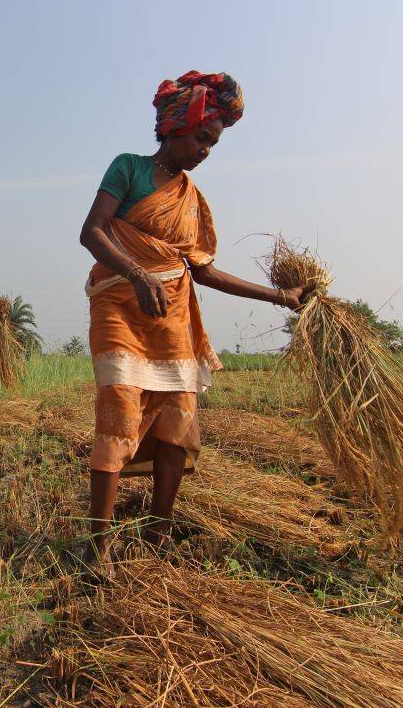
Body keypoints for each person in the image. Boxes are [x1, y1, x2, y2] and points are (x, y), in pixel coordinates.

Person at [78, 70, 313, 574]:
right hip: (119, 305)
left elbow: (202, 269)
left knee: (174, 422)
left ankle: (159, 530)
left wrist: (279, 297)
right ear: (175, 126)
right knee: (119, 410)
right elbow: (93, 232)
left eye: (214, 143)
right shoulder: (128, 168)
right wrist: (137, 273)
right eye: (203, 137)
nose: (207, 150)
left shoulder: (192, 199)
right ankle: (97, 546)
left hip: (173, 315)